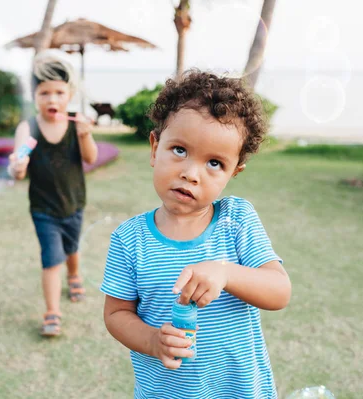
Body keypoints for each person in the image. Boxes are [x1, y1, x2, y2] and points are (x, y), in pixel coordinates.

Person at [100, 70, 291, 398]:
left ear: (234, 172)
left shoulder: (236, 220)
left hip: (239, 391)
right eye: (179, 150)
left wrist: (226, 272)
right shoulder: (129, 239)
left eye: (215, 163)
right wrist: (151, 340)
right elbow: (117, 314)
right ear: (154, 147)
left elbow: (279, 292)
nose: (190, 173)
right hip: (166, 391)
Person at [8, 51, 98, 337]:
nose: (52, 100)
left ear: (69, 94)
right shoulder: (29, 128)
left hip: (73, 204)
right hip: (43, 209)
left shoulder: (74, 125)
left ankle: (74, 276)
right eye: (44, 93)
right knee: (51, 258)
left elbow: (90, 158)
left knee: (71, 249)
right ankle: (52, 312)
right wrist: (18, 166)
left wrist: (86, 135)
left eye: (59, 92)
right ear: (34, 96)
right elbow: (18, 166)